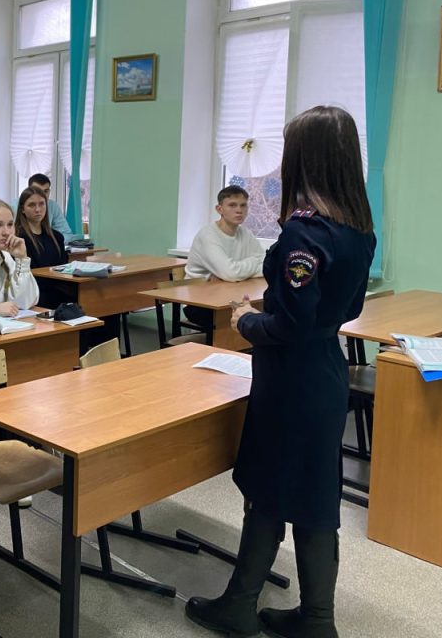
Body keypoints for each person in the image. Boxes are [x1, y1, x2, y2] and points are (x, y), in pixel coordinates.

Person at [185, 106, 375, 638]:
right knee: (315, 496)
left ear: (304, 159)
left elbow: (290, 325)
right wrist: (277, 308)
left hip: (290, 380)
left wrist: (248, 320)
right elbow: (343, 307)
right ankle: (316, 619)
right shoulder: (358, 228)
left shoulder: (302, 231)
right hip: (326, 372)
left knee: (267, 489)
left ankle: (240, 605)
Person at [183, 185, 266, 330]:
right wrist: (252, 263)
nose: (239, 210)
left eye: (243, 205)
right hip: (198, 302)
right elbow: (230, 272)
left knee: (260, 312)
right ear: (219, 209)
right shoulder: (208, 235)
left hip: (230, 295)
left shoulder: (245, 233)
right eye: (232, 205)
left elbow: (266, 265)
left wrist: (234, 273)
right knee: (246, 319)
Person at [15, 187, 69, 309]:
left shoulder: (56, 237)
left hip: (58, 291)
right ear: (22, 209)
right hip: (35, 294)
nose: (38, 209)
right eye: (32, 205)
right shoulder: (19, 238)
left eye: (41, 204)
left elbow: (64, 267)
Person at [27, 173, 73, 240]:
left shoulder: (52, 206)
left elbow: (66, 234)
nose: (43, 195)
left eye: (46, 191)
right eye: (38, 191)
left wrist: (50, 243)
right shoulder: (15, 205)